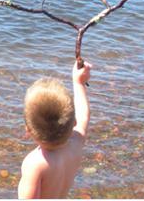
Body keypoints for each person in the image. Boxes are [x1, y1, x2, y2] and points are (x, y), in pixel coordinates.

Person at [18, 60, 92, 199]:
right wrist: (79, 83)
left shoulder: (35, 164)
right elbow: (84, 115)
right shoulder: (76, 142)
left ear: (28, 130)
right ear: (73, 122)